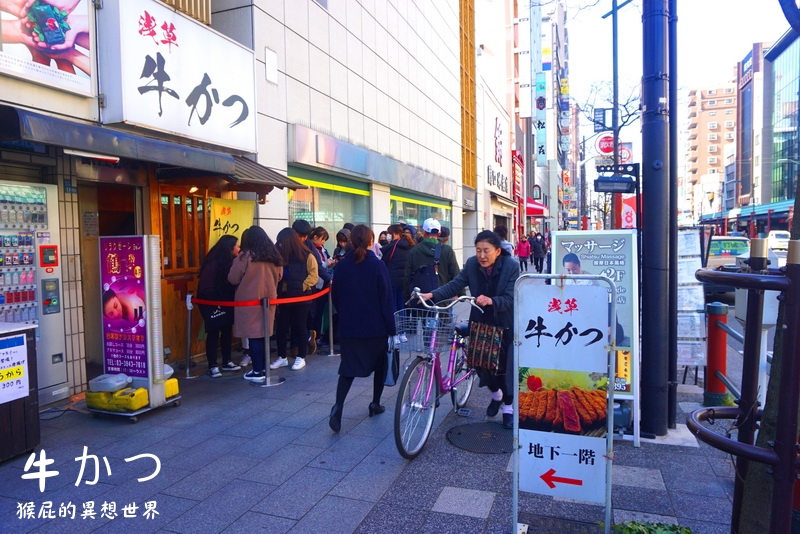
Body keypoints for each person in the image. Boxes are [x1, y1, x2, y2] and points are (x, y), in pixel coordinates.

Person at [419, 230, 519, 429]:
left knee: (505, 368)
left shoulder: (511, 267)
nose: (482, 255)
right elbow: (456, 284)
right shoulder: (472, 264)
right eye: (478, 250)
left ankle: (508, 408)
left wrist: (492, 300)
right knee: (481, 365)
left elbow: (511, 297)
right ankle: (496, 395)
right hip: (480, 321)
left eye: (486, 251)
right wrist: (432, 294)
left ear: (498, 251)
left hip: (504, 323)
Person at [329, 224, 396, 433]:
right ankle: (375, 404)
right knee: (379, 366)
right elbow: (386, 300)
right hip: (375, 327)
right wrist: (391, 328)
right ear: (370, 241)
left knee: (348, 369)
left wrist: (346, 315)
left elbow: (336, 296)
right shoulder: (377, 265)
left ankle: (338, 407)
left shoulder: (341, 266)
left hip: (350, 327)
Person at [228, 226, 283, 382]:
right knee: (264, 334)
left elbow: (233, 278)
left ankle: (257, 371)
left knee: (254, 336)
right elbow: (279, 276)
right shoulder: (274, 256)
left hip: (249, 301)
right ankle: (265, 369)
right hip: (269, 300)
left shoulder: (245, 256)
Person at [271, 227, 319, 371]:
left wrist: (303, 287)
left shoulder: (307, 255)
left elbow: (313, 275)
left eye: (281, 242)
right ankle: (282, 357)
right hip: (284, 298)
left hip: (301, 298)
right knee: (282, 327)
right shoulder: (280, 256)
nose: (279, 244)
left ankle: (301, 357)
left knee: (300, 327)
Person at [197, 235, 241, 377]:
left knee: (227, 330)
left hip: (226, 301)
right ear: (229, 247)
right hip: (210, 302)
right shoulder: (213, 263)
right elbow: (205, 287)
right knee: (214, 332)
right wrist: (217, 301)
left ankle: (227, 361)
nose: (239, 248)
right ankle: (212, 365)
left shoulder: (232, 261)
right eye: (237, 246)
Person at [292, 219, 331, 355]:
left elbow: (318, 268)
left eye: (304, 236)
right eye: (300, 236)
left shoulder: (309, 246)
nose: (302, 239)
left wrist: (329, 279)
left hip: (306, 289)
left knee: (305, 319)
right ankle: (296, 346)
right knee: (294, 321)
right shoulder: (286, 243)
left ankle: (303, 349)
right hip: (289, 291)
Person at [404, 218, 460, 297]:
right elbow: (455, 273)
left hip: (420, 298)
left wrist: (407, 297)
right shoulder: (447, 250)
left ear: (424, 232)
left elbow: (407, 276)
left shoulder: (414, 251)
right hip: (443, 297)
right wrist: (460, 293)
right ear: (439, 233)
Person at [381, 223, 415, 343]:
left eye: (389, 233)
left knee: (393, 308)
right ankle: (403, 333)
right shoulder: (409, 246)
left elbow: (383, 263)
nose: (387, 236)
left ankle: (394, 334)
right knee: (403, 306)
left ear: (395, 234)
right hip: (405, 282)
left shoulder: (391, 247)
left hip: (391, 281)